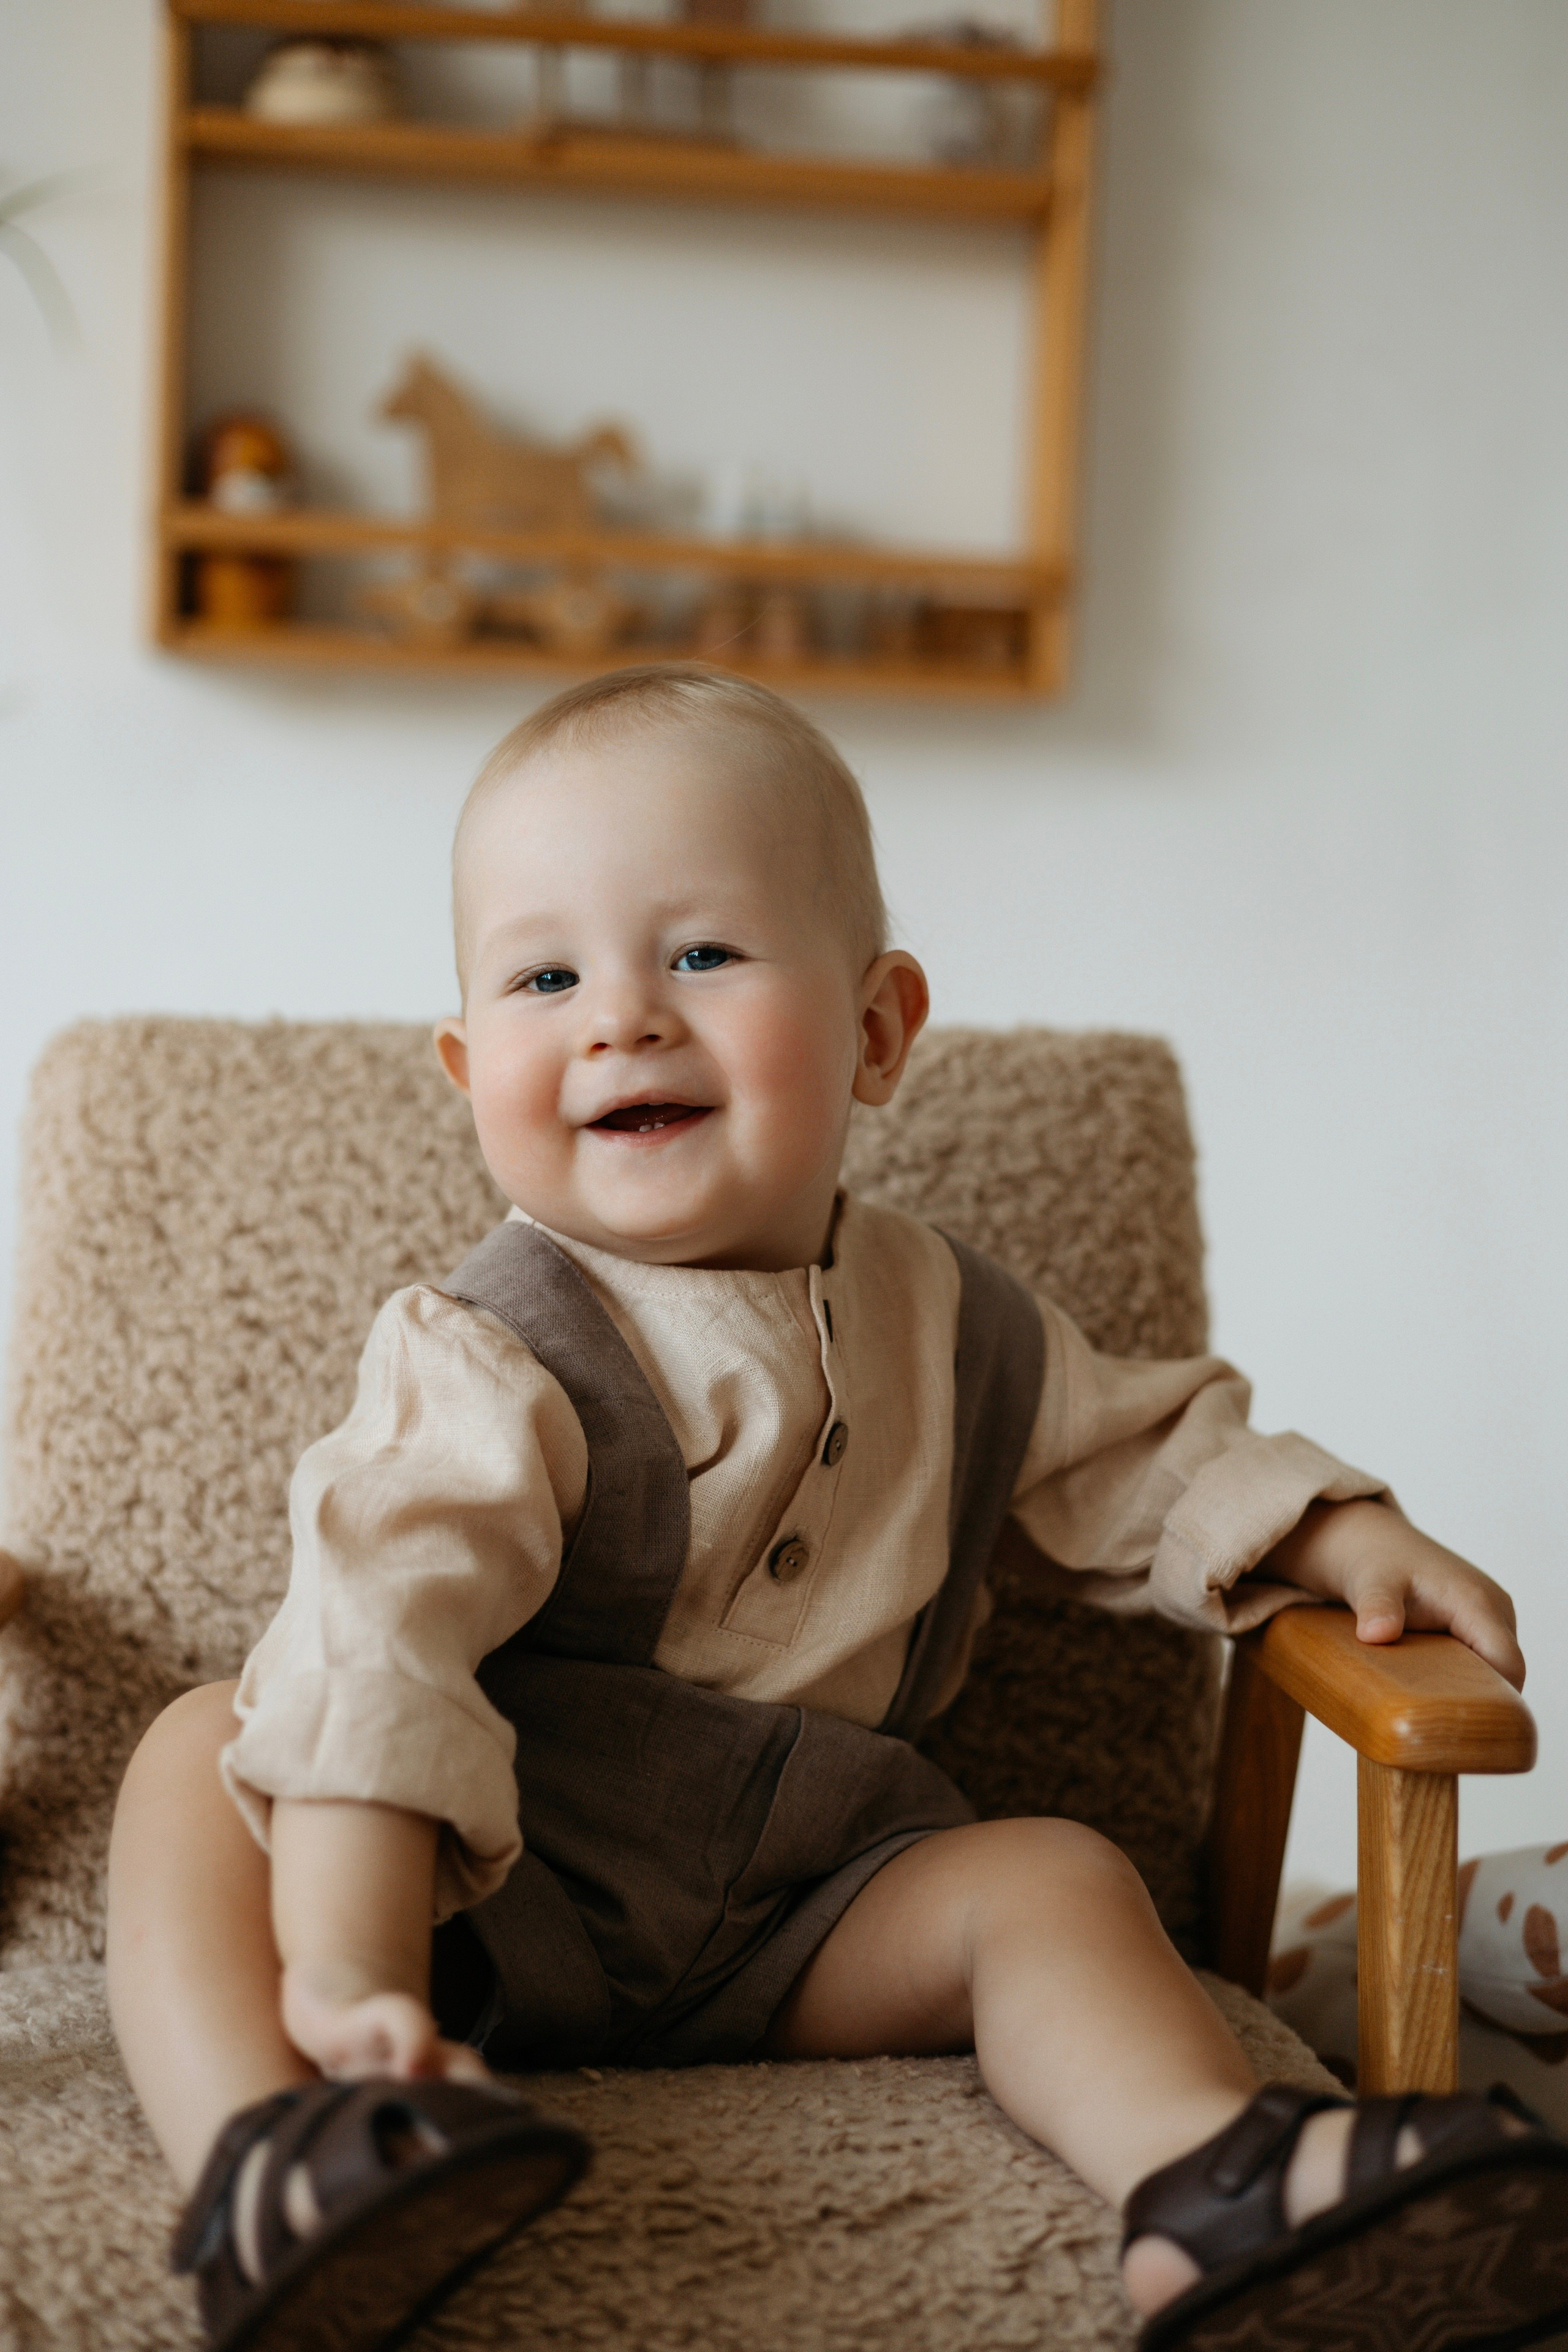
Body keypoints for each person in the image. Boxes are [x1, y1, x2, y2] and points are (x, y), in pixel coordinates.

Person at [106, 667, 1566, 2352]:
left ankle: (1211, 2185)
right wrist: (355, 1975)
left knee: (1050, 1876)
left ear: (877, 1031)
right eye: (545, 975)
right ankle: (291, 2150)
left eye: (702, 955)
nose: (622, 1018)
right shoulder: (490, 1352)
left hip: (812, 1917)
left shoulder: (955, 1321)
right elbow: (381, 1646)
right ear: (466, 1065)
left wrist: (1329, 1531)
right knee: (201, 1753)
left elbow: (1140, 1461)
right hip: (494, 1894)